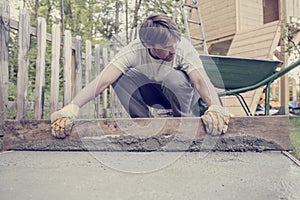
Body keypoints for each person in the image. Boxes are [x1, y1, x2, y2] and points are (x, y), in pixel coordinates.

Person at [51, 13, 230, 138]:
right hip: (154, 93)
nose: (173, 50)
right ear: (147, 44)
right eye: (166, 47)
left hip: (182, 95)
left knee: (172, 78)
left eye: (174, 44)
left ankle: (183, 125)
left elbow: (200, 80)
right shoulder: (133, 51)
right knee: (119, 77)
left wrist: (215, 107)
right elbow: (103, 80)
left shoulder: (182, 48)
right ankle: (145, 125)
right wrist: (72, 107)